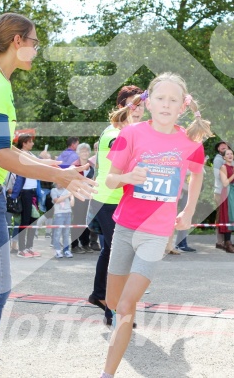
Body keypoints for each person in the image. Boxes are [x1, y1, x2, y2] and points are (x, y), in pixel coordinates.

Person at [0, 13, 96, 377]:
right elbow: (1, 155)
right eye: (35, 42)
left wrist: (49, 165)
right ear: (17, 42)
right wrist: (59, 175)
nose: (37, 50)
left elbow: (4, 147)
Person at [101, 73, 210, 378]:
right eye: (160, 98)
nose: (166, 104)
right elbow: (110, 178)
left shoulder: (190, 142)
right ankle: (124, 318)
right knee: (113, 302)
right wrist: (126, 178)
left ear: (183, 106)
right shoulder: (131, 134)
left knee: (124, 305)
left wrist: (188, 211)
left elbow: (197, 175)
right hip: (124, 228)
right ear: (148, 103)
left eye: (173, 100)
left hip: (156, 233)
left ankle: (106, 373)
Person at [87, 85, 145, 326]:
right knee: (119, 256)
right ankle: (114, 308)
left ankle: (100, 296)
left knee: (110, 252)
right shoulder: (116, 135)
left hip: (111, 200)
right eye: (134, 105)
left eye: (142, 105)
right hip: (109, 201)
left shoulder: (121, 131)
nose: (139, 110)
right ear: (122, 107)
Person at [10, 134, 42, 258]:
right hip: (25, 192)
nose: (32, 144)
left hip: (34, 191)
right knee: (24, 221)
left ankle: (29, 247)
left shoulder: (31, 155)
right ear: (24, 143)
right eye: (30, 142)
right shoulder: (20, 155)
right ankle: (21, 249)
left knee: (33, 220)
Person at [70, 142, 96, 254]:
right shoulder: (74, 165)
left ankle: (85, 243)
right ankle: (74, 245)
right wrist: (71, 197)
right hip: (77, 196)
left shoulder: (92, 166)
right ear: (78, 153)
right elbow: (70, 182)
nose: (84, 153)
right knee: (77, 220)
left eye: (86, 151)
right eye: (82, 151)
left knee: (87, 221)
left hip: (89, 197)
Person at [218, 148, 234, 253]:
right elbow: (225, 183)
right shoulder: (223, 167)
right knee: (227, 216)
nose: (230, 155)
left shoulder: (233, 167)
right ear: (224, 157)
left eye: (231, 154)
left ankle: (230, 241)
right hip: (227, 193)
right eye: (228, 154)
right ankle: (227, 242)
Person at [50, 182, 75, 258]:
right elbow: (56, 200)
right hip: (59, 213)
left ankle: (66, 250)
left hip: (68, 212)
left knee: (66, 233)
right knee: (57, 232)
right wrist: (68, 195)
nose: (59, 183)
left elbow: (72, 204)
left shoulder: (67, 190)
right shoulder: (54, 190)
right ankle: (57, 250)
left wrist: (72, 197)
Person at [212, 141, 229, 249]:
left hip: (225, 191)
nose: (223, 147)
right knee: (219, 216)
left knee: (224, 216)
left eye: (225, 146)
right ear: (218, 148)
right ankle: (219, 241)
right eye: (221, 146)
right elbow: (217, 175)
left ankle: (222, 240)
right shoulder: (218, 159)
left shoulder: (225, 158)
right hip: (219, 191)